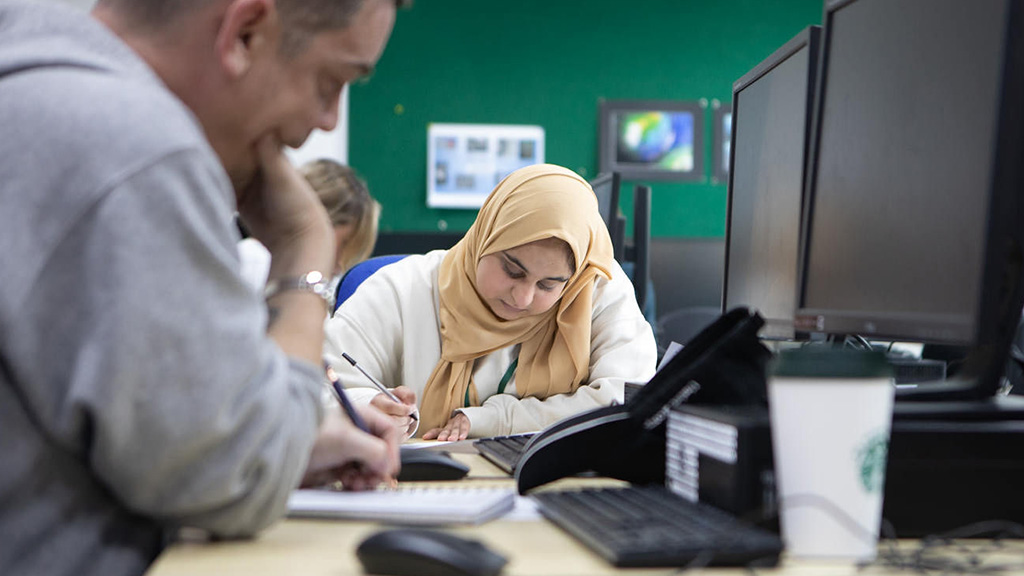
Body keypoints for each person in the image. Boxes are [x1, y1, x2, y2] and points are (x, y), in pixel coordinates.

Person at [0, 0, 407, 575]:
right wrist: (303, 256)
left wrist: (287, 443)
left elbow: (163, 444)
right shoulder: (135, 147)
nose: (327, 121)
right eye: (331, 81)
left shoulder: (33, 83)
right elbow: (241, 478)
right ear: (244, 31)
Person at [324, 163, 658, 441]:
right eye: (512, 271)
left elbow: (628, 400)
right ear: (485, 237)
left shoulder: (594, 290)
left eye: (548, 284)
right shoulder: (399, 289)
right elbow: (310, 385)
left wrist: (496, 420)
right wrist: (366, 406)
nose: (523, 297)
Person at [239, 158, 381, 299]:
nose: (339, 266)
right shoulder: (253, 261)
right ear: (322, 219)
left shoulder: (331, 287)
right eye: (344, 244)